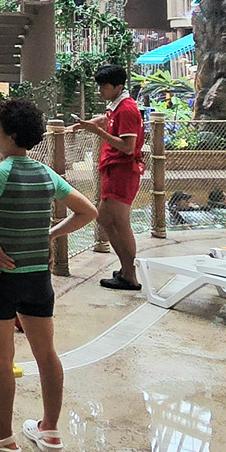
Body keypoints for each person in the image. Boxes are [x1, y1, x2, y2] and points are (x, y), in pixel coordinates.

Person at [0, 97, 97, 452]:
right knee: (46, 353)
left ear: (9, 136)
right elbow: (88, 211)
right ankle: (49, 431)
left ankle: (3, 437)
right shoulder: (45, 174)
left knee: (1, 357)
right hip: (38, 277)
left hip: (2, 278)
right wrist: (50, 234)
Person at [75, 64, 143, 290]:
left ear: (118, 87)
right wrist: (86, 125)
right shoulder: (116, 106)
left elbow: (128, 147)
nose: (100, 90)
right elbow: (106, 119)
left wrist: (98, 132)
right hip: (114, 170)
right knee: (104, 218)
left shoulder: (126, 110)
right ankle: (126, 269)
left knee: (121, 223)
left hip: (122, 171)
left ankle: (130, 275)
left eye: (104, 86)